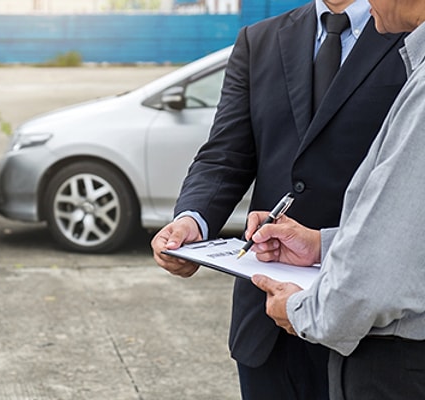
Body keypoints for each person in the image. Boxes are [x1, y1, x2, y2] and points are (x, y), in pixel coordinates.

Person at [150, 0, 408, 398]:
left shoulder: (407, 28)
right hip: (266, 318)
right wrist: (192, 220)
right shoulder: (259, 39)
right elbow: (225, 153)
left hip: (368, 325)